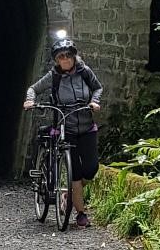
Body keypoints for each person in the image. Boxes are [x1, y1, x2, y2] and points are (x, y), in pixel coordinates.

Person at [24, 28, 103, 227]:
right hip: (65, 128)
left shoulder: (85, 72)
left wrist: (94, 101)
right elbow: (33, 88)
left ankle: (70, 191)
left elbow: (98, 87)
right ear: (57, 60)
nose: (65, 59)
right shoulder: (54, 77)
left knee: (91, 168)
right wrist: (30, 100)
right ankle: (81, 214)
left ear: (74, 56)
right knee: (74, 172)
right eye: (61, 57)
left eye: (68, 55)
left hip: (86, 126)